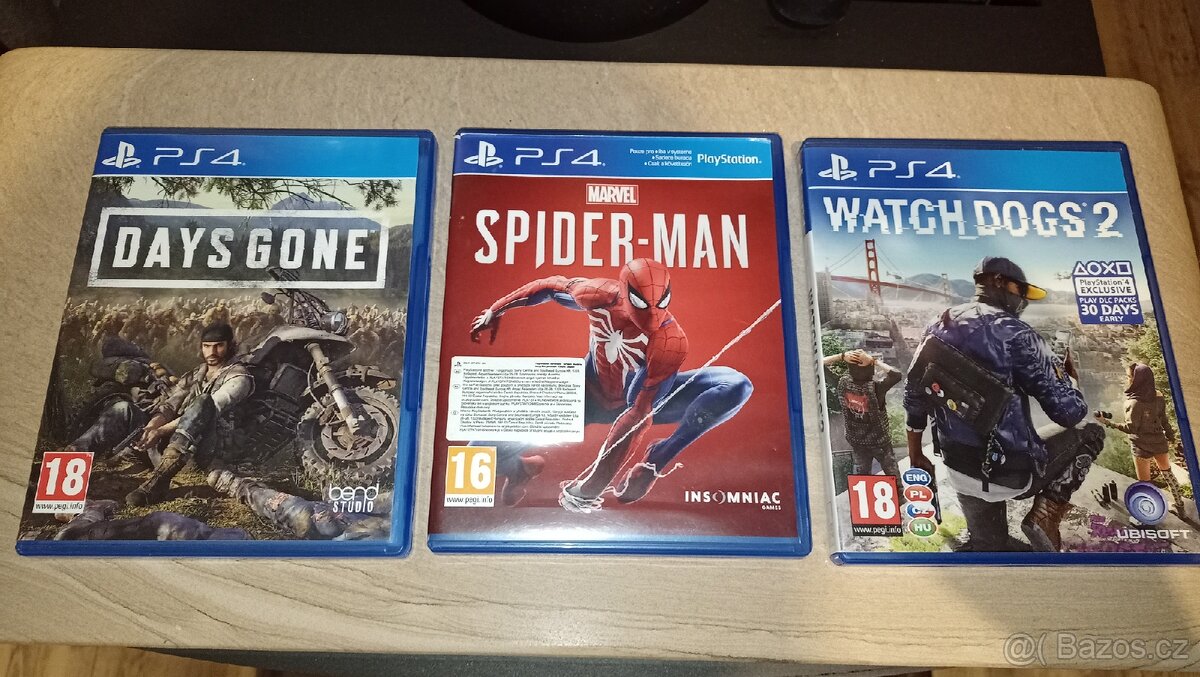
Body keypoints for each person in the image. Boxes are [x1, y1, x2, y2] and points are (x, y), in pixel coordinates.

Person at [469, 258, 752, 508]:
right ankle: (519, 469)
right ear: (625, 293)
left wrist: (593, 486)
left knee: (736, 385)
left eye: (661, 303)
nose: (652, 317)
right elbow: (551, 286)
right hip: (583, 395)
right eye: (642, 303)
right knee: (475, 457)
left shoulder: (669, 342)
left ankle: (658, 458)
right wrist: (496, 310)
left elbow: (638, 415)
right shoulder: (599, 294)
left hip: (639, 401)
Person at [903, 256, 1104, 552]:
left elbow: (913, 392)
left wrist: (915, 453)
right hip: (1009, 472)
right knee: (1091, 433)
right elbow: (1069, 413)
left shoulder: (937, 323)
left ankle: (986, 539)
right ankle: (1047, 512)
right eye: (1020, 290)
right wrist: (1070, 380)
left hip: (957, 465)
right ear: (998, 281)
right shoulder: (1019, 334)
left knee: (989, 546)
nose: (1023, 299)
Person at [125, 323, 254, 506]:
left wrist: (160, 432)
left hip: (213, 449)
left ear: (230, 345)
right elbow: (170, 404)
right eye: (206, 346)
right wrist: (152, 427)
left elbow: (210, 407)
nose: (212, 352)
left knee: (204, 401)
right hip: (180, 446)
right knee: (123, 410)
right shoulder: (196, 374)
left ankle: (158, 481)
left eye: (219, 346)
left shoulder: (240, 377)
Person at [1097, 362, 1186, 514]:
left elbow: (1130, 429)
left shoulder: (1133, 403)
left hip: (1140, 446)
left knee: (1145, 483)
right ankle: (1180, 507)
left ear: (1137, 380)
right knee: (1168, 474)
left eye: (1129, 377)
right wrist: (1171, 437)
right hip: (1159, 442)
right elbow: (1163, 419)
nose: (1128, 380)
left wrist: (1107, 422)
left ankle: (1150, 513)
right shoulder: (1158, 395)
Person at [824, 349, 902, 480]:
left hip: (857, 441)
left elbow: (820, 364)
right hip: (880, 442)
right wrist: (874, 361)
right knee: (894, 480)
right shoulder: (876, 388)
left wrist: (841, 356)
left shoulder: (842, 384)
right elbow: (897, 375)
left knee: (860, 481)